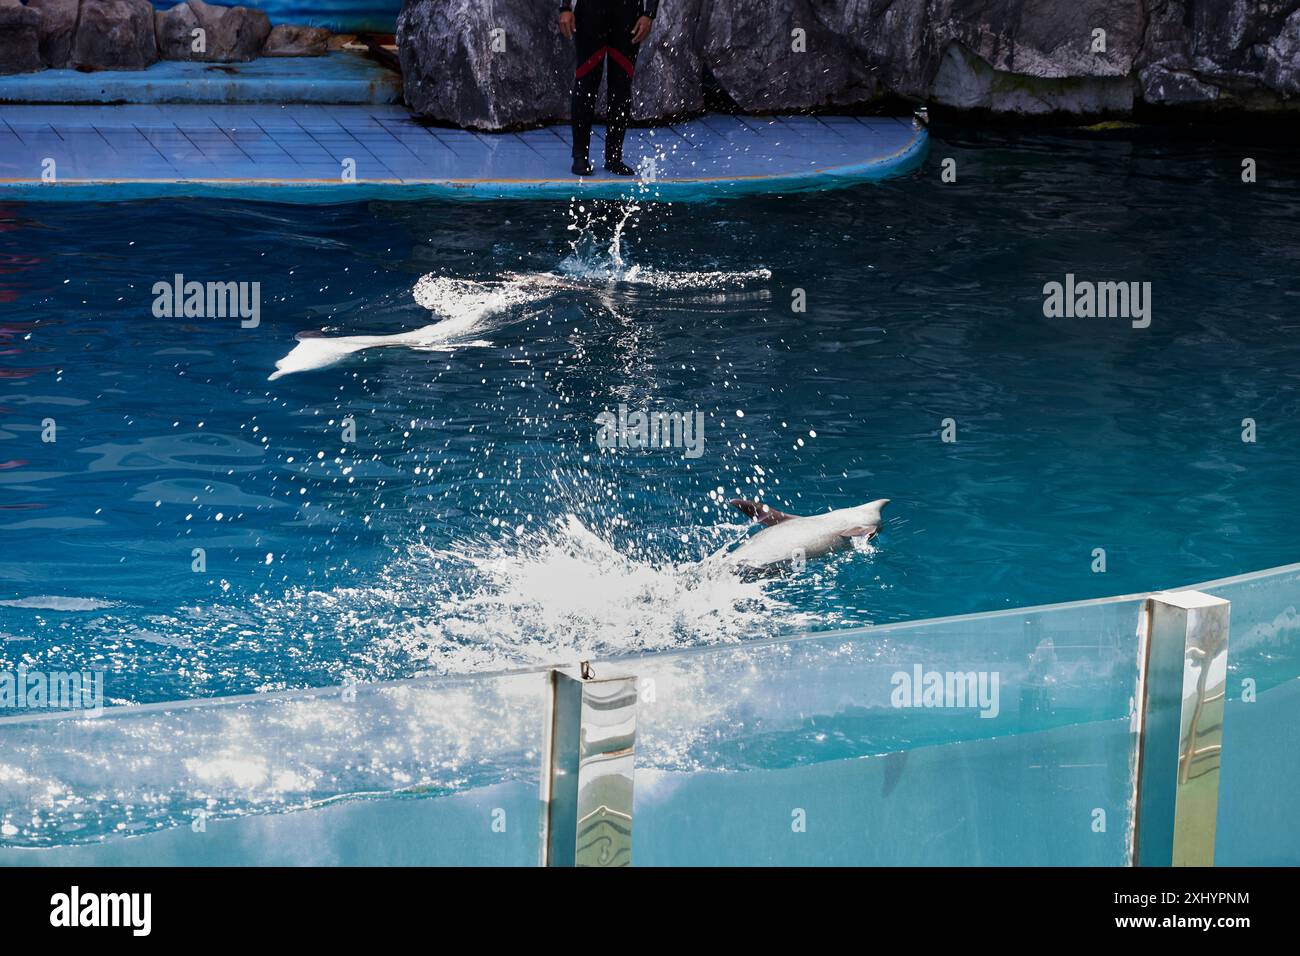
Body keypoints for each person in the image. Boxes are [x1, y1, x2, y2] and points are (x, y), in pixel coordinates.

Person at [559, 1, 657, 177]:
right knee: (586, 82)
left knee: (621, 86)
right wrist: (565, 7)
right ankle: (580, 155)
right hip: (590, 14)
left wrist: (649, 13)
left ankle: (614, 157)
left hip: (628, 14)